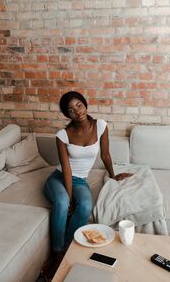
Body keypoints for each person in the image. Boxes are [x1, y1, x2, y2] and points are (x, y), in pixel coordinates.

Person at [42, 91, 132, 277]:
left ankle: (67, 247)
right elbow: (66, 170)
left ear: (85, 105)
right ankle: (56, 253)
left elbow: (105, 154)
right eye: (71, 110)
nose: (77, 111)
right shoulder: (62, 135)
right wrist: (68, 198)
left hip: (80, 180)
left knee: (85, 205)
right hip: (59, 178)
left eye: (79, 105)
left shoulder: (100, 126)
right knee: (62, 203)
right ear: (67, 115)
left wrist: (113, 176)